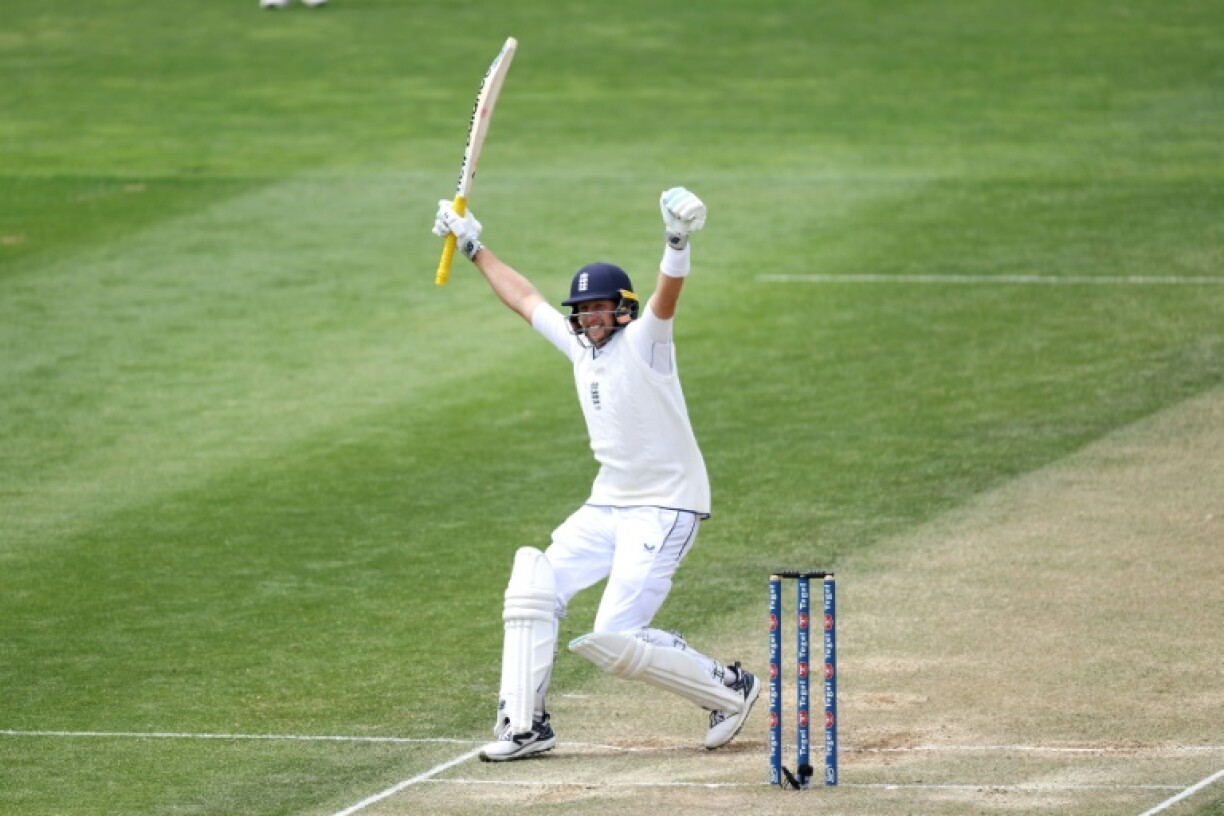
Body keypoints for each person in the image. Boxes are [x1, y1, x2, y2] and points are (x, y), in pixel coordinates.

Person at [431, 187, 759, 762]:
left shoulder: (647, 343)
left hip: (667, 505)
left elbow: (667, 297)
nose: (590, 320)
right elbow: (525, 297)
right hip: (609, 504)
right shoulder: (581, 349)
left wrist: (676, 242)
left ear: (622, 310)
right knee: (535, 585)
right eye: (583, 312)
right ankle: (525, 726)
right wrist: (473, 245)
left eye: (601, 310)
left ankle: (730, 688)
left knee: (614, 635)